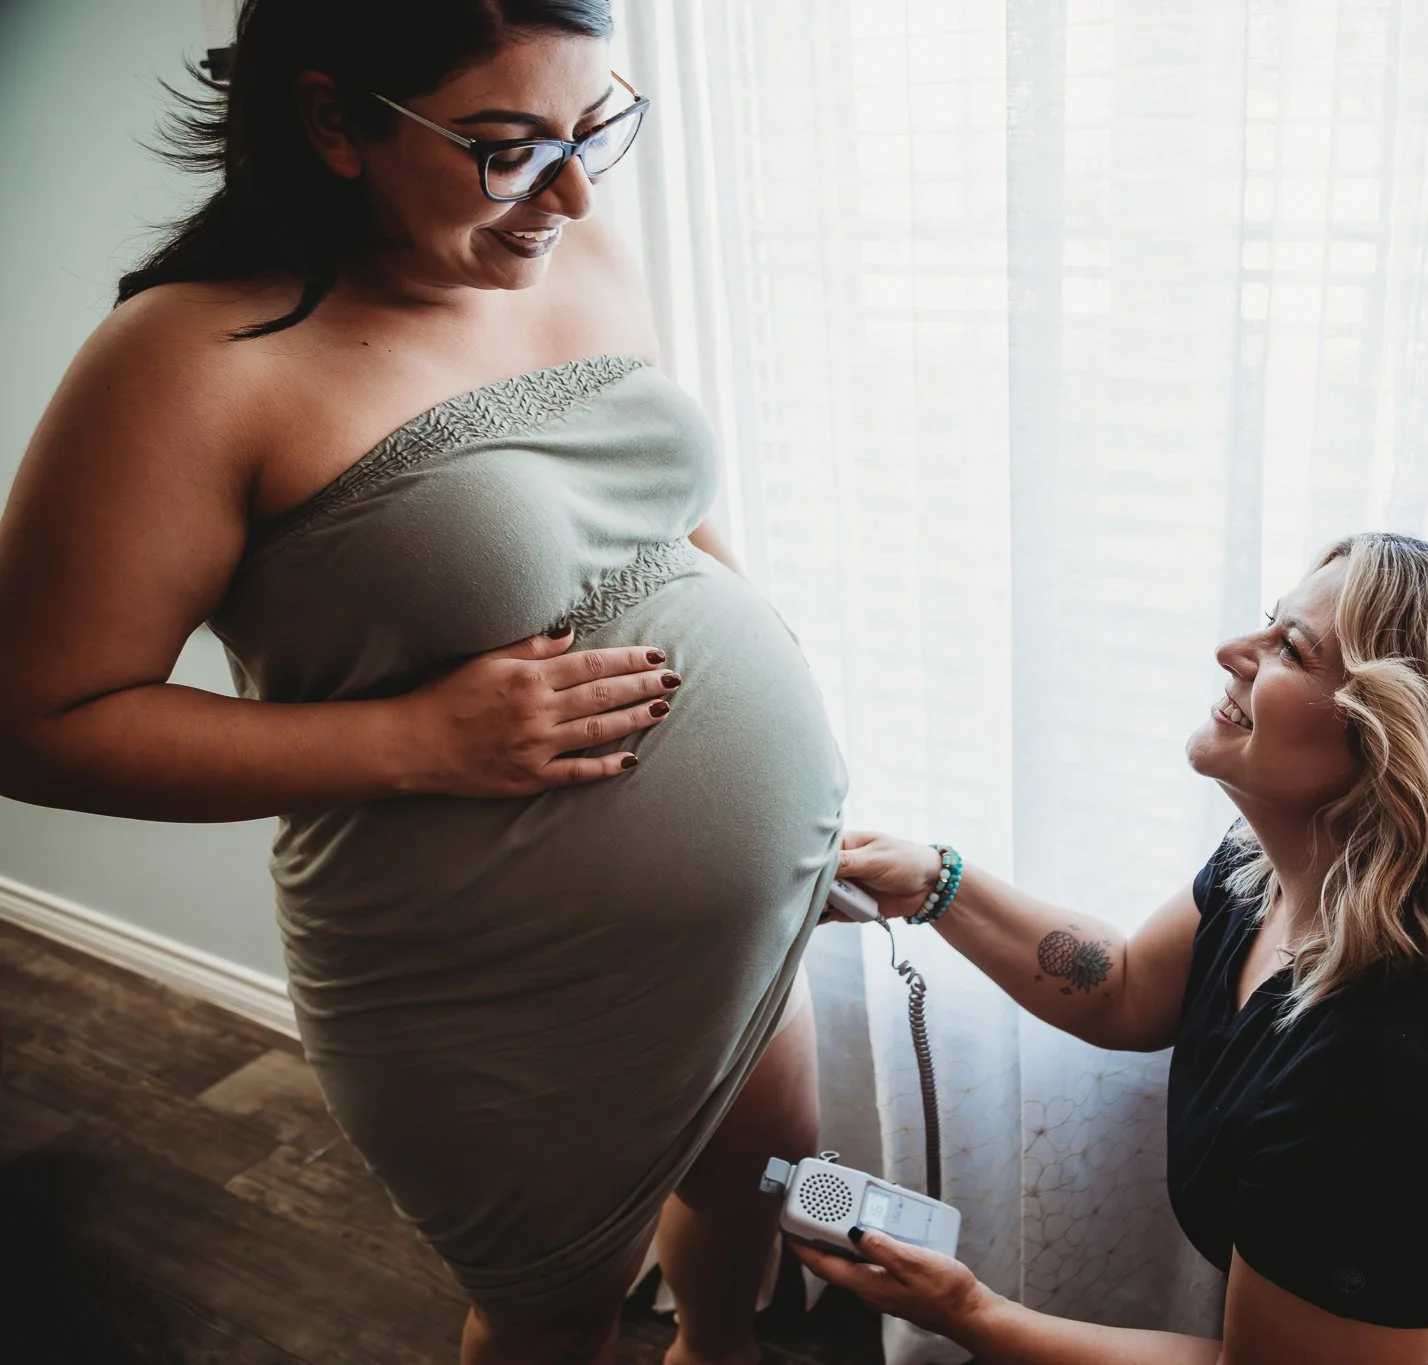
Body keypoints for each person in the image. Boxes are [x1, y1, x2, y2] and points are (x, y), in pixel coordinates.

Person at [0, 4, 845, 1363]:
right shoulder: (190, 362)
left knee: (763, 1175)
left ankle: (718, 1348)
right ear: (335, 121)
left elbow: (648, 498)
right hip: (484, 974)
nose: (569, 192)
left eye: (595, 128)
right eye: (510, 148)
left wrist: (759, 634)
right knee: (550, 1313)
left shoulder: (573, 247)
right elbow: (34, 726)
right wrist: (414, 737)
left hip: (744, 920)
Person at [807, 533, 1428, 1364]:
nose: (1234, 648)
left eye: (1290, 648)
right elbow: (1120, 989)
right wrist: (936, 883)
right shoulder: (1281, 869)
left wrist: (970, 1314)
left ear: (1391, 745)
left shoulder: (1396, 1088)